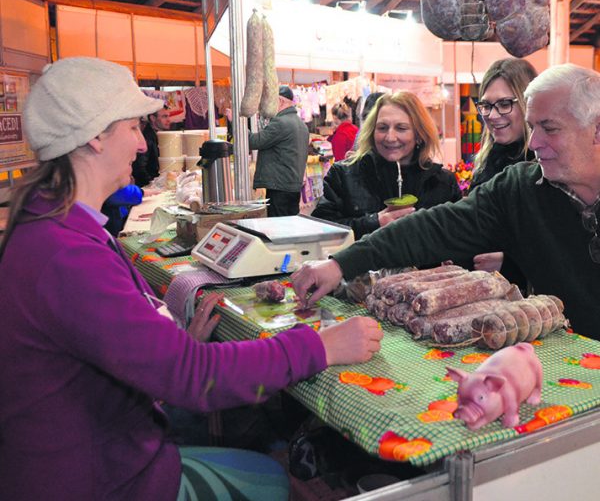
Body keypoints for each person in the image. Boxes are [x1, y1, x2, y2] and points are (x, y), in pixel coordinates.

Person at [0, 57, 383, 500]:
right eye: (131, 128)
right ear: (94, 138)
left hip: (88, 458)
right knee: (275, 481)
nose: (142, 146)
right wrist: (319, 346)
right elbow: (193, 379)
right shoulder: (64, 253)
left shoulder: (57, 226)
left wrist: (173, 342)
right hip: (96, 479)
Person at [292, 64, 600, 341]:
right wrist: (339, 264)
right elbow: (434, 227)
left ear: (596, 129)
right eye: (533, 127)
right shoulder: (519, 188)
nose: (534, 143)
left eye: (550, 128)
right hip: (572, 360)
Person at [312, 91, 462, 239]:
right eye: (382, 128)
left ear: (419, 134)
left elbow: (458, 236)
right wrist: (374, 222)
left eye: (401, 128)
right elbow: (322, 229)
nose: (390, 137)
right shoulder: (344, 175)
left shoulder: (442, 182)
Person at [469, 58, 537, 287]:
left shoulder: (544, 163)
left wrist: (510, 264)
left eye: (505, 103)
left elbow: (562, 244)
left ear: (528, 103)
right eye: (486, 105)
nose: (492, 115)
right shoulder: (488, 161)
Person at [249, 85, 309, 217]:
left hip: (279, 187)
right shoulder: (301, 124)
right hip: (292, 185)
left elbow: (254, 141)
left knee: (278, 229)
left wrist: (237, 124)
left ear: (280, 101)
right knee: (290, 226)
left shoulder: (281, 122)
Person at [132, 104, 171, 186]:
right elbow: (139, 168)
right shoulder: (147, 138)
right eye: (164, 116)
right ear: (153, 118)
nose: (169, 120)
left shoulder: (158, 135)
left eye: (168, 116)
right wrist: (152, 185)